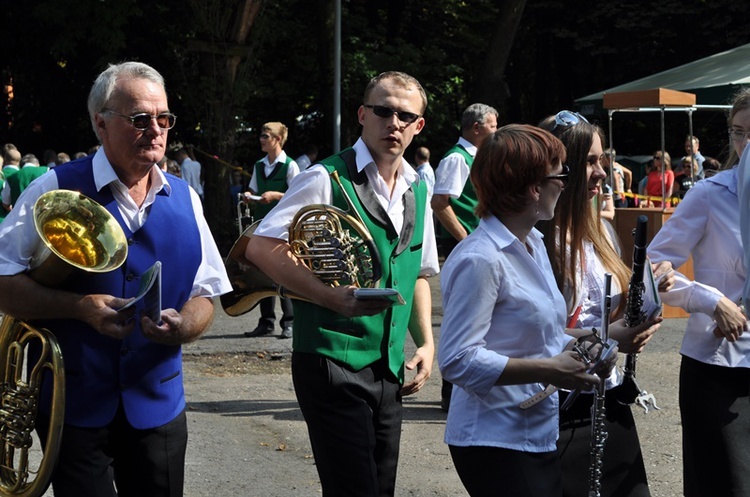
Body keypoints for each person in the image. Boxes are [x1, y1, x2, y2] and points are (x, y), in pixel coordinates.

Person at [0, 61, 232, 497]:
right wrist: (77, 307)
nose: (156, 129)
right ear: (100, 123)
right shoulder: (52, 187)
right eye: (140, 119)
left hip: (159, 407)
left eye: (164, 118)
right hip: (75, 407)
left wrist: (186, 326)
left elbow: (205, 294)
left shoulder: (187, 200)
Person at [246, 71, 438, 497]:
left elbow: (419, 272)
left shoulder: (420, 186)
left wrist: (425, 344)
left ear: (418, 126)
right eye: (383, 111)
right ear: (362, 114)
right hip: (330, 360)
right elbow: (260, 247)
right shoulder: (323, 177)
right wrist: (328, 296)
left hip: (388, 366)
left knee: (379, 488)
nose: (394, 123)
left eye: (406, 116)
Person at [438, 123, 617, 497]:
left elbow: (540, 332)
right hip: (494, 438)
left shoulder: (532, 242)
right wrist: (551, 369)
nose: (566, 184)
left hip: (533, 430)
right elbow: (457, 360)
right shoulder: (481, 259)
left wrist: (597, 340)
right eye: (561, 174)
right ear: (534, 186)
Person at [538, 110, 669, 497]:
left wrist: (650, 289)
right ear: (563, 169)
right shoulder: (535, 241)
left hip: (607, 395)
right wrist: (609, 336)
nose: (602, 172)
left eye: (602, 160)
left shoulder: (602, 232)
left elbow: (610, 310)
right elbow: (530, 334)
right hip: (558, 403)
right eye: (590, 162)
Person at [651, 87, 750, 497]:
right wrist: (710, 300)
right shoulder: (709, 194)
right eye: (739, 133)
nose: (746, 144)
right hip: (718, 369)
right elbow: (654, 268)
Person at [432, 102, 498, 411]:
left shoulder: (474, 158)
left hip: (477, 244)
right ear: (476, 128)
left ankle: (463, 387)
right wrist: (467, 239)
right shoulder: (457, 159)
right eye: (493, 126)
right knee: (464, 316)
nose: (497, 131)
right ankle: (450, 393)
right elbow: (440, 202)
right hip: (466, 245)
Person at [243, 121, 300, 339]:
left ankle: (290, 323)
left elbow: (298, 195)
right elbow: (253, 189)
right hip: (262, 224)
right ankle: (266, 322)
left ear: (277, 139)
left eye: (265, 136)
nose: (261, 139)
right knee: (262, 275)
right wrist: (249, 195)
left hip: (283, 226)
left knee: (284, 272)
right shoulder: (259, 165)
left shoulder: (291, 165)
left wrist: (276, 196)